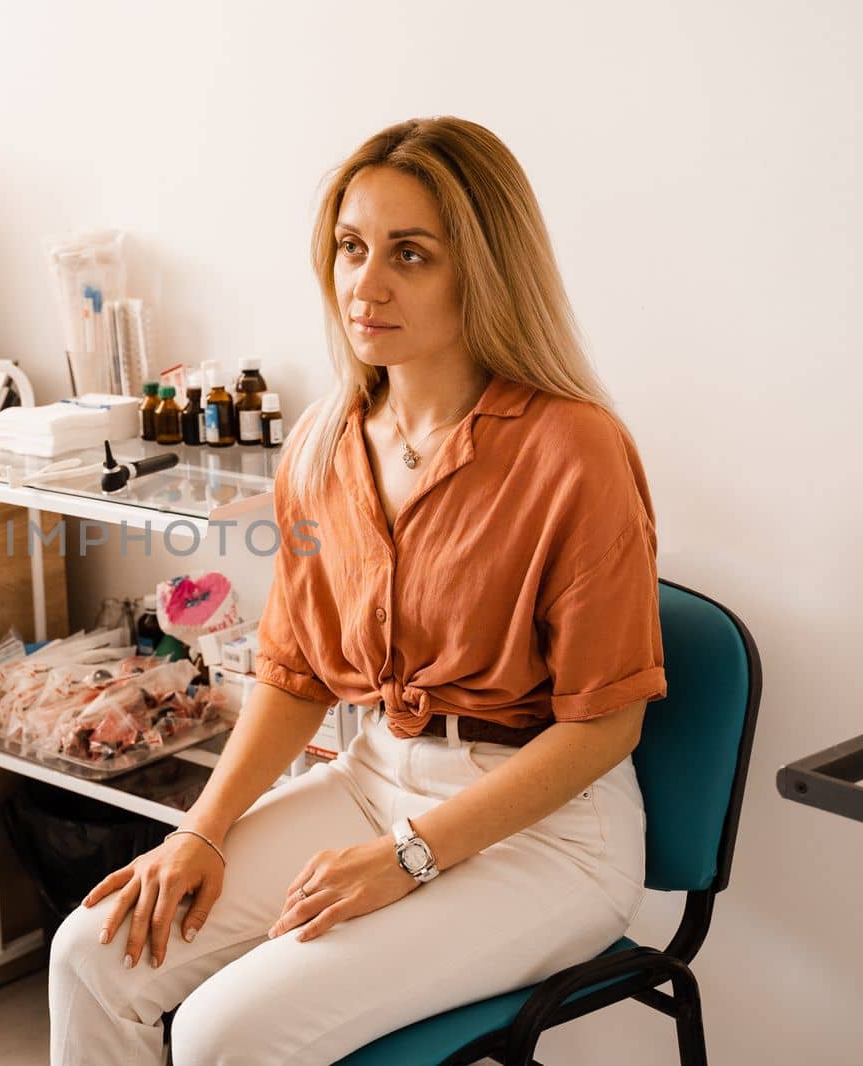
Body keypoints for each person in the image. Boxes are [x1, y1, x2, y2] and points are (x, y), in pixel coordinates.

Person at [49, 116, 667, 1065]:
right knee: (92, 952)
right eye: (350, 246)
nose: (363, 285)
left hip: (545, 836)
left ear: (485, 271)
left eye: (409, 254)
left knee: (225, 1033)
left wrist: (412, 857)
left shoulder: (574, 451)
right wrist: (201, 833)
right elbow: (294, 674)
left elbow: (605, 726)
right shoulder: (325, 442)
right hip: (375, 777)